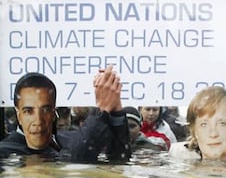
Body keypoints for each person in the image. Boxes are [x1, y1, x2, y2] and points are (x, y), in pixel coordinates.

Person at [0, 66, 131, 162]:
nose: (38, 121)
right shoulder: (5, 152)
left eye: (45, 109)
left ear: (53, 112)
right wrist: (102, 110)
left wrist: (115, 110)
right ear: (18, 115)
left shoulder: (67, 138)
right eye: (29, 111)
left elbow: (119, 159)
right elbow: (72, 164)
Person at [169, 86, 226, 160]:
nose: (213, 134)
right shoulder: (177, 155)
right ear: (194, 131)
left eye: (222, 123)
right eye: (204, 124)